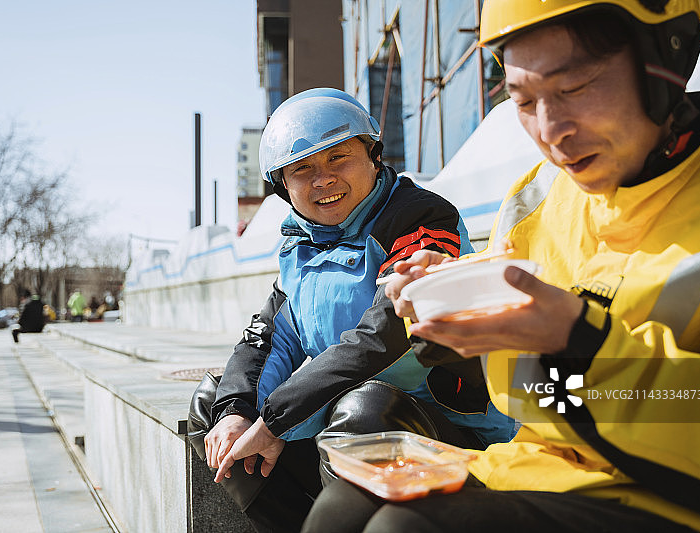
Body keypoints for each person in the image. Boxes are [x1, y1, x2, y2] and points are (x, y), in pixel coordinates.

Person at [302, 1, 700, 532]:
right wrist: (447, 306)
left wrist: (578, 343)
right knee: (340, 510)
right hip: (547, 469)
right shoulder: (542, 197)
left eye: (574, 87)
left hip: (677, 495)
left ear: (664, 59)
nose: (551, 130)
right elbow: (501, 377)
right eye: (523, 101)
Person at [195, 88, 516, 532]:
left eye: (338, 158)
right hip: (347, 429)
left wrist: (274, 421)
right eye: (302, 169)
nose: (322, 180)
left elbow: (386, 334)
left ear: (373, 155)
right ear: (283, 186)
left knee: (369, 408)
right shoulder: (299, 244)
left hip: (455, 438)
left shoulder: (421, 219)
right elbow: (268, 338)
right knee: (214, 406)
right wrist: (237, 411)